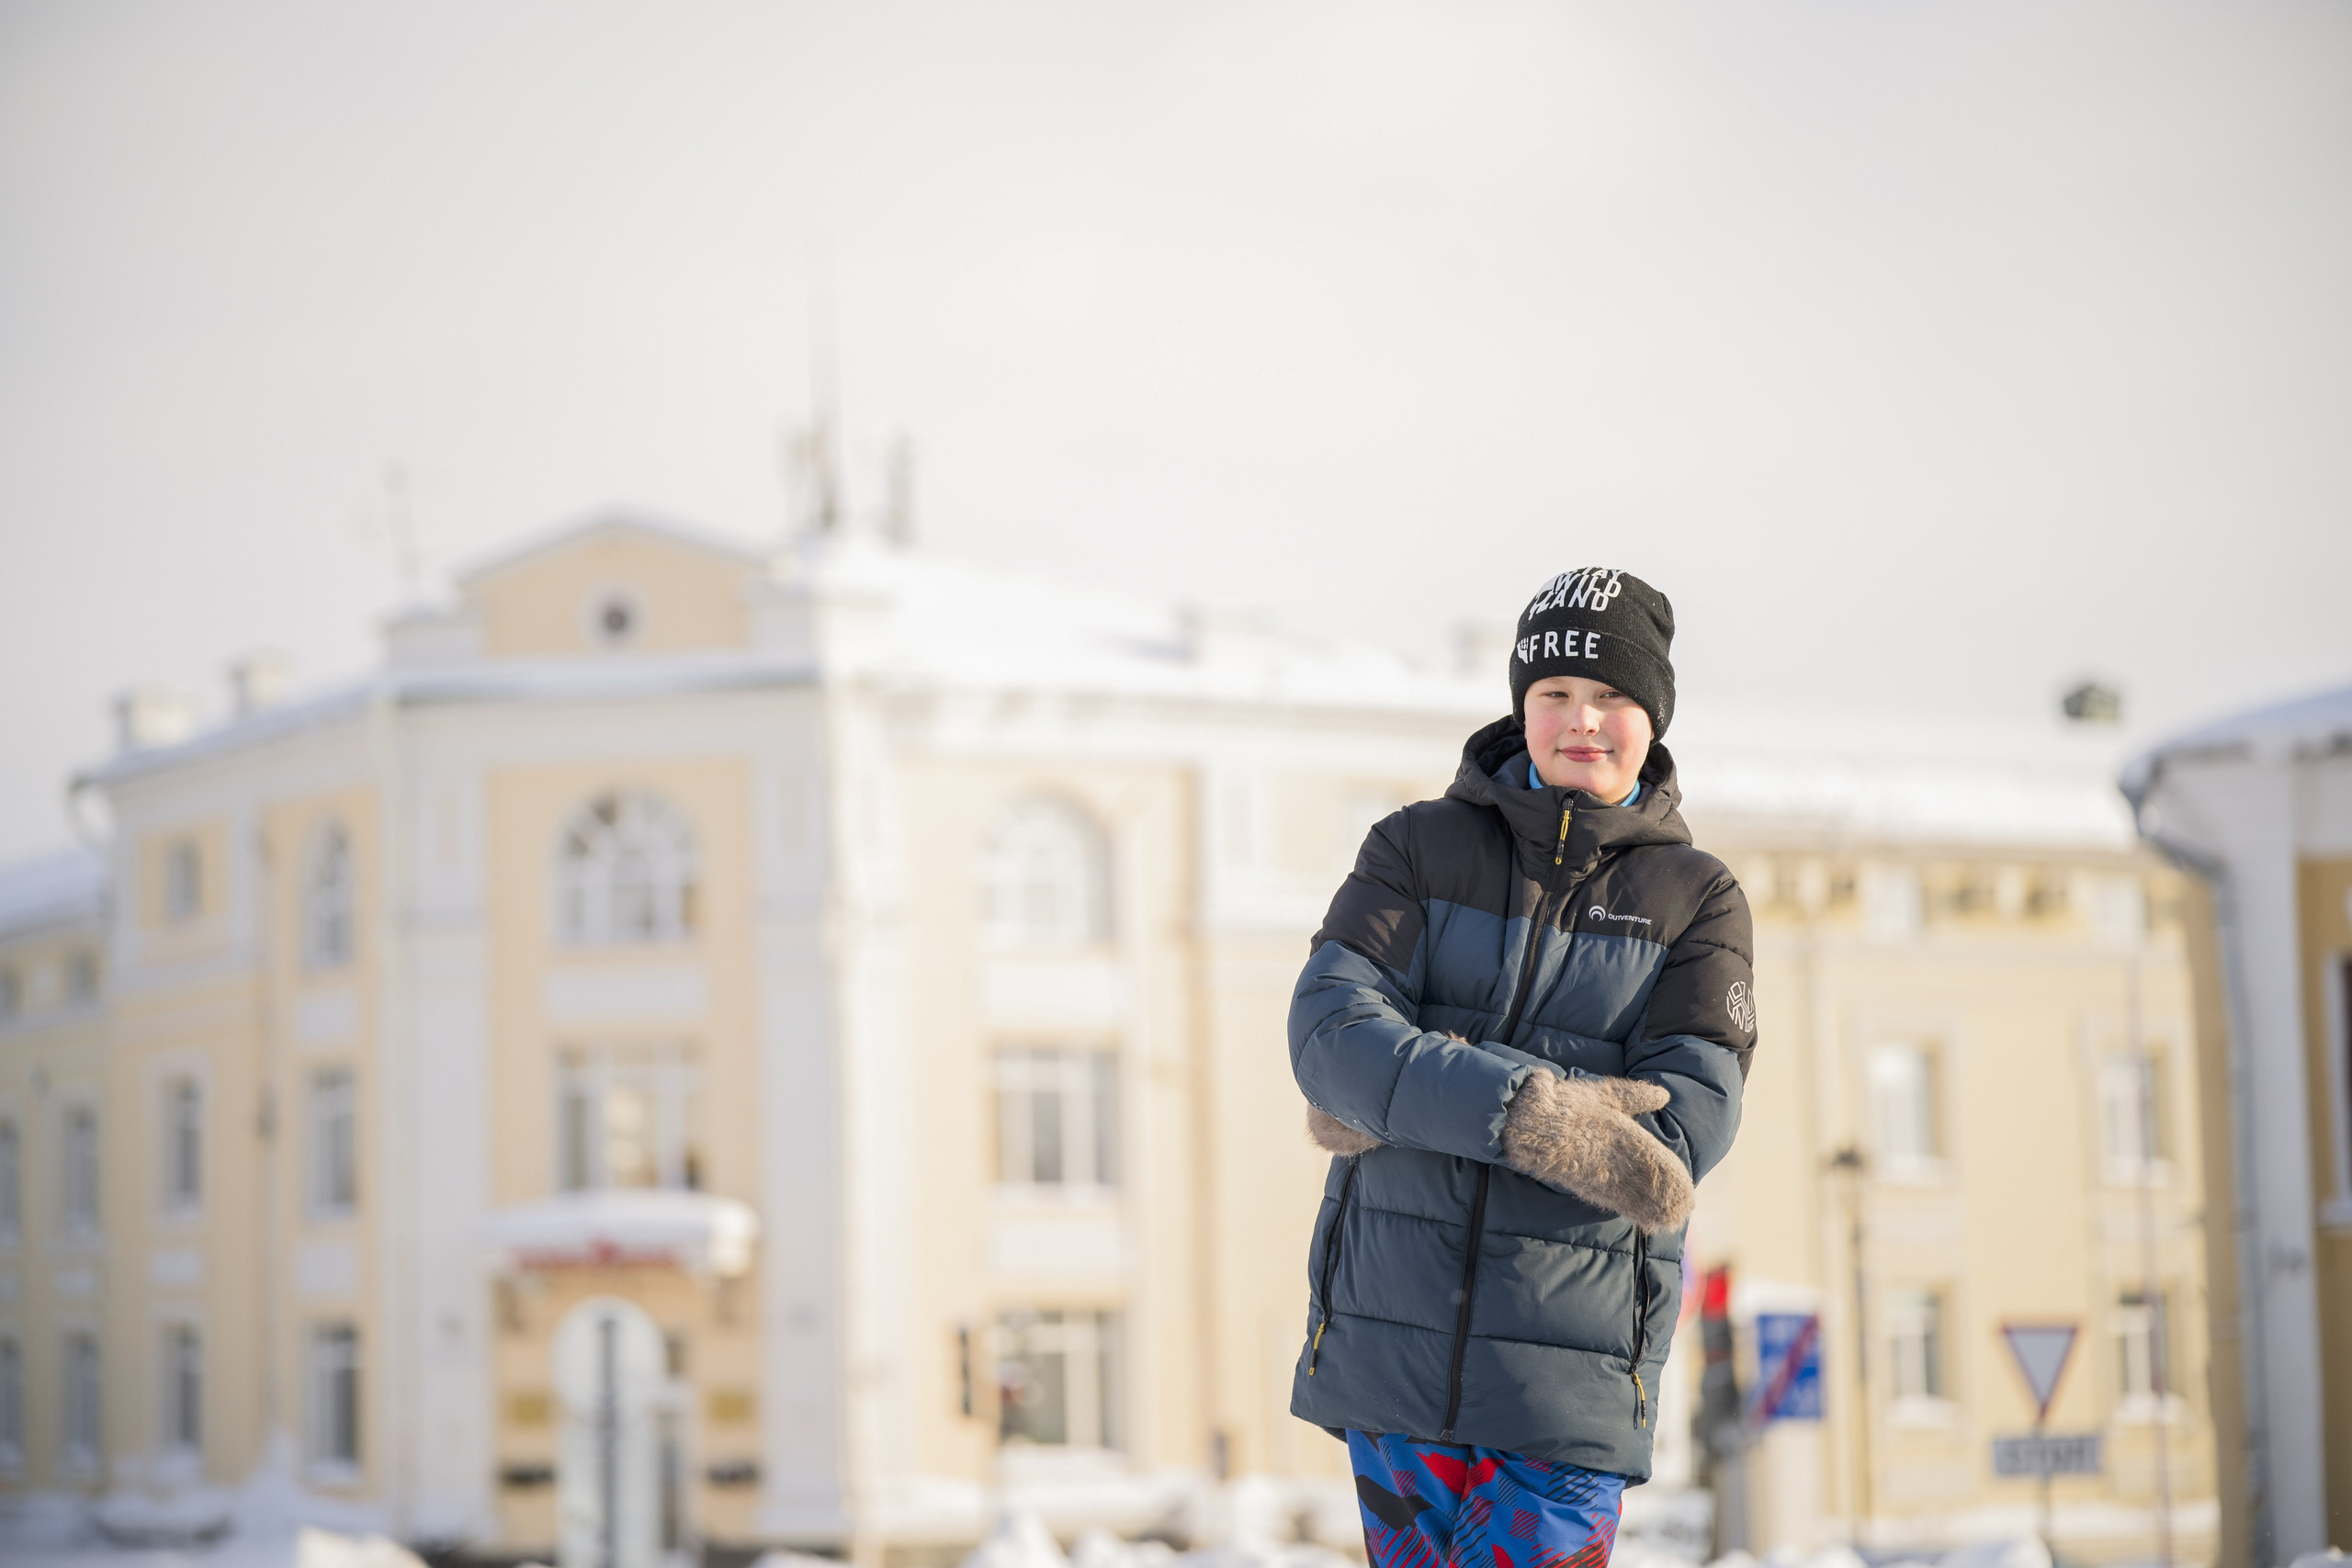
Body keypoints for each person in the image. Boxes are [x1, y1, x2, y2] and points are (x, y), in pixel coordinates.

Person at [1288, 567, 1756, 1568]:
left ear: (1653, 717)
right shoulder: (1414, 849)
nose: (1580, 720)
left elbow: (1675, 1136)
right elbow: (1329, 1039)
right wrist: (1544, 1115)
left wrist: (1410, 1090)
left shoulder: (1696, 900)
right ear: (1520, 706)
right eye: (1554, 695)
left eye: (1610, 697)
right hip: (1392, 1343)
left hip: (1567, 1377)